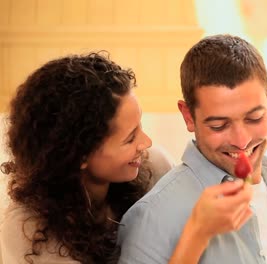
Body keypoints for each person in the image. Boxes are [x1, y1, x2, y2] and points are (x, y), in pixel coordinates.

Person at [0, 52, 253, 263]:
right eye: (130, 138)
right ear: (79, 154)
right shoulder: (29, 233)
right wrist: (197, 232)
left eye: (140, 126)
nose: (146, 143)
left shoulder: (153, 165)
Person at [118, 34, 267, 263]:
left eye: (254, 118)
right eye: (219, 125)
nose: (241, 142)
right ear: (188, 116)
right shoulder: (153, 217)